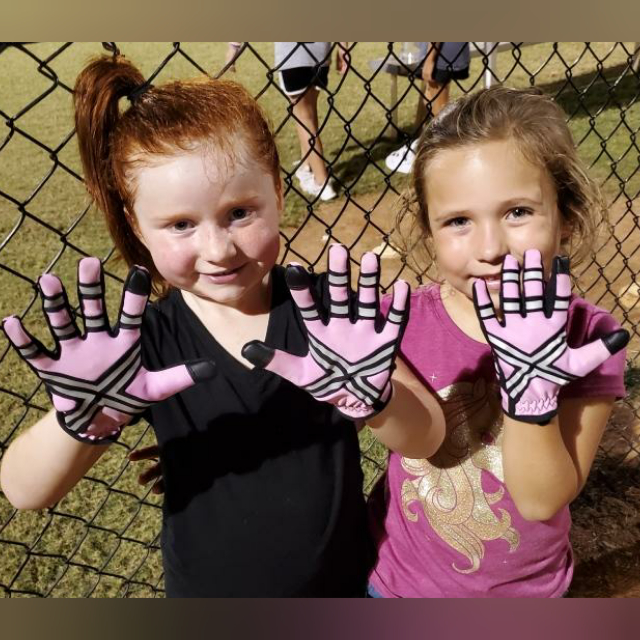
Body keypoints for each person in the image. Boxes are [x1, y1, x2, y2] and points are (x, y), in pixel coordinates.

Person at [0, 54, 446, 597]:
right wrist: (82, 420)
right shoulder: (144, 343)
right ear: (137, 227)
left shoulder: (327, 314)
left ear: (278, 194)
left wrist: (376, 400)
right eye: (180, 224)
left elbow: (427, 435)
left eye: (239, 212)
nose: (217, 249)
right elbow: (25, 491)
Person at [368, 86, 629, 598]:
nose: (491, 248)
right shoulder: (391, 324)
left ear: (566, 217)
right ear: (428, 231)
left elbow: (540, 500)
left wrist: (531, 396)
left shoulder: (590, 339)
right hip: (399, 586)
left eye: (517, 212)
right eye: (458, 221)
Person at [274, 42, 349, 201]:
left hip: (292, 56)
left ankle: (321, 182)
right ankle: (306, 165)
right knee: (310, 114)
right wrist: (343, 47)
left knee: (303, 117)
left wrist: (234, 46)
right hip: (321, 54)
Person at [385, 42, 470, 175]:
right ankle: (430, 147)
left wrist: (430, 59)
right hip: (443, 52)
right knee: (430, 98)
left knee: (440, 110)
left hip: (439, 55)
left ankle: (443, 154)